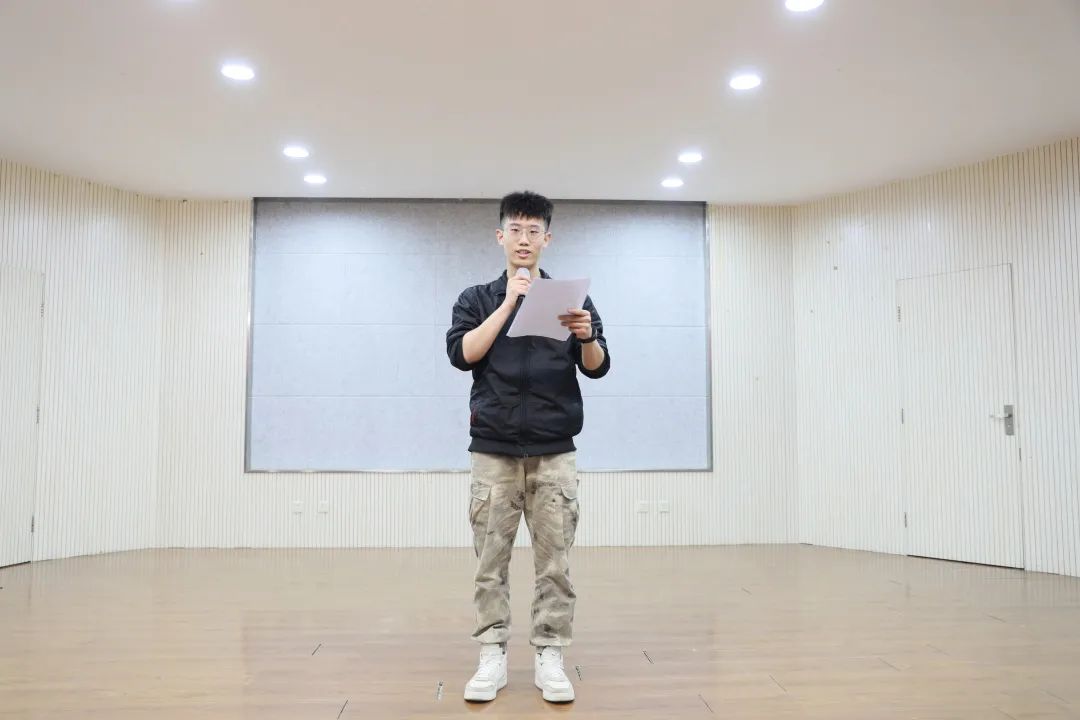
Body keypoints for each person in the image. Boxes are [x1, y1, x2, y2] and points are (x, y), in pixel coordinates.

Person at [446, 191, 611, 703]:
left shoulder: (571, 299)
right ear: (501, 236)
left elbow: (597, 366)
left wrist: (586, 335)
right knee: (490, 562)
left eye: (533, 231)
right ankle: (491, 653)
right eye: (515, 230)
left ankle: (550, 654)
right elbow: (462, 354)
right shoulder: (476, 298)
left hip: (553, 450)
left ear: (547, 239)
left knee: (555, 562)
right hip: (493, 450)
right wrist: (509, 303)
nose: (524, 239)